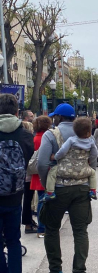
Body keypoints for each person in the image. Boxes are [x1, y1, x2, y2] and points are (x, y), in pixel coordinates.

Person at [37, 103, 95, 273]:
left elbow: (42, 163)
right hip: (82, 187)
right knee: (80, 231)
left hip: (58, 188)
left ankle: (56, 269)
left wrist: (46, 183)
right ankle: (79, 269)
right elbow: (93, 159)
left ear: (59, 117)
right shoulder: (87, 135)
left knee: (52, 228)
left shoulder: (51, 134)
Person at [0, 94, 34, 273]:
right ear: (16, 111)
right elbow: (29, 159)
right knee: (14, 241)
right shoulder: (25, 134)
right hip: (15, 194)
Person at [44, 117, 98, 202]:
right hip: (83, 170)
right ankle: (93, 191)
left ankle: (50, 193)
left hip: (65, 169)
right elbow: (95, 154)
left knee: (52, 172)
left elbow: (62, 151)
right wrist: (90, 161)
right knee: (93, 173)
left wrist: (55, 157)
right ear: (88, 132)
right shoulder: (91, 142)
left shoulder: (71, 140)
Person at [31, 116, 52, 238]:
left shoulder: (35, 138)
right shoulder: (46, 138)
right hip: (46, 172)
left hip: (36, 173)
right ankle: (43, 227)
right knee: (45, 200)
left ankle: (41, 227)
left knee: (41, 199)